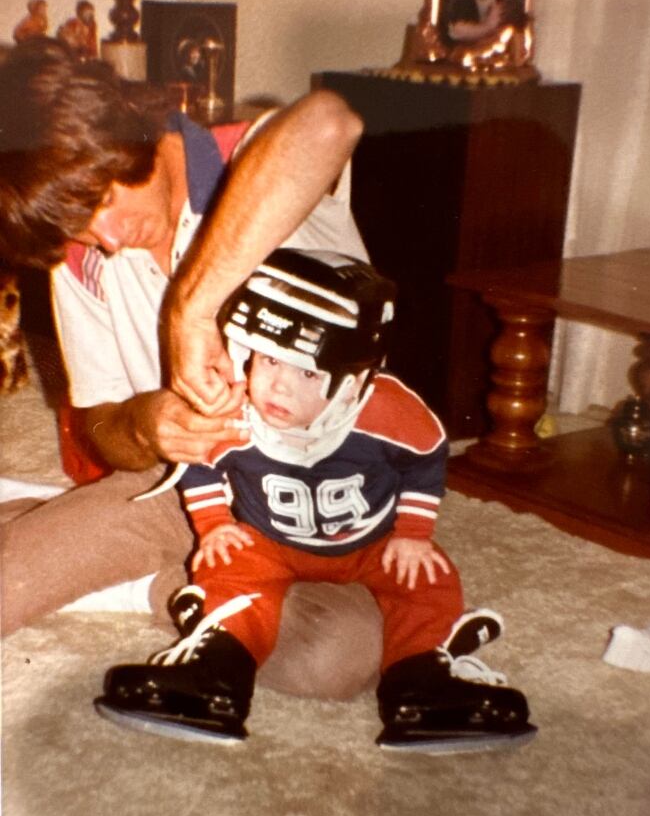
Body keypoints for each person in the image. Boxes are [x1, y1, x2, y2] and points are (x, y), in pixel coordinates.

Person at [0, 37, 383, 700]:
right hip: (177, 488)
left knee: (336, 656)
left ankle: (113, 565)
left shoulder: (246, 160)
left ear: (116, 131)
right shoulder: (85, 254)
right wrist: (150, 423)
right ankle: (85, 546)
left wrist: (191, 308)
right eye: (83, 229)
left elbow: (330, 122)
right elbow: (102, 427)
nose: (109, 239)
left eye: (103, 201)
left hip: (315, 499)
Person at [95, 249, 535, 751]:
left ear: (352, 383)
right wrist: (215, 522)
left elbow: (425, 458)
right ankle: (217, 674)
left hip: (370, 543)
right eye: (269, 360)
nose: (278, 384)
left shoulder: (391, 412)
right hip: (270, 540)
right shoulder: (234, 411)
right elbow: (199, 461)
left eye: (306, 373)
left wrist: (414, 533)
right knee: (231, 564)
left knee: (427, 576)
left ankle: (421, 681)